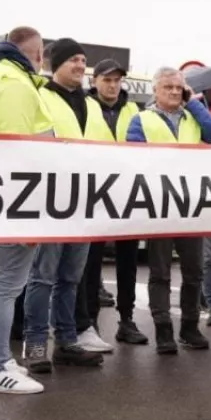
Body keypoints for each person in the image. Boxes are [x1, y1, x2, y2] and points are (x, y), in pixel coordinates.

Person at [17, 37, 112, 373]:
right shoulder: (40, 96)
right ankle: (36, 343)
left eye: (83, 60)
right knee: (42, 276)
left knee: (71, 277)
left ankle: (68, 341)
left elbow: (108, 148)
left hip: (85, 202)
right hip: (51, 201)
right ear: (54, 63)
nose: (80, 65)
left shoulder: (92, 104)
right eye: (73, 59)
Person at [0, 26, 53, 393]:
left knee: (4, 280)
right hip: (18, 197)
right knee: (8, 283)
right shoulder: (17, 84)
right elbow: (20, 151)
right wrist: (30, 213)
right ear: (36, 54)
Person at [127, 66, 211, 353]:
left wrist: (193, 102)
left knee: (194, 271)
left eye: (179, 88)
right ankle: (163, 329)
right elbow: (133, 156)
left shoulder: (193, 116)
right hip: (158, 207)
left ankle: (190, 328)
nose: (174, 92)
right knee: (160, 272)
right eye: (168, 87)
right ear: (155, 90)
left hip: (191, 206)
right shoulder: (141, 120)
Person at [80, 58, 145, 344]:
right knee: (91, 262)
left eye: (117, 80)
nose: (113, 85)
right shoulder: (83, 106)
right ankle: (89, 321)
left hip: (128, 194)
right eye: (107, 79)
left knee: (128, 261)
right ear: (94, 81)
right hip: (93, 193)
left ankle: (127, 320)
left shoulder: (134, 110)